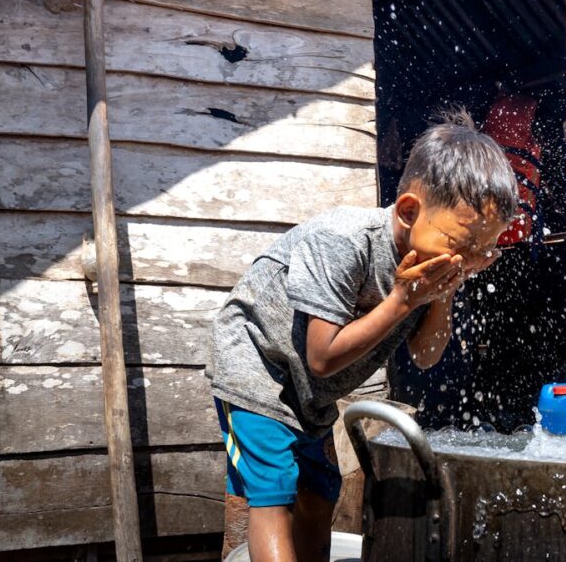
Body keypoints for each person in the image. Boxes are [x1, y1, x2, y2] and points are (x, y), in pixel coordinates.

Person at [207, 108, 518, 561]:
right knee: (273, 491)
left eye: (483, 252)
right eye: (462, 247)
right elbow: (322, 357)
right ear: (410, 211)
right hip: (257, 365)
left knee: (320, 492)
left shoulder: (433, 269)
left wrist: (444, 294)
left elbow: (426, 355)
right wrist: (402, 301)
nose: (467, 263)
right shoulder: (342, 241)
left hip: (308, 394)